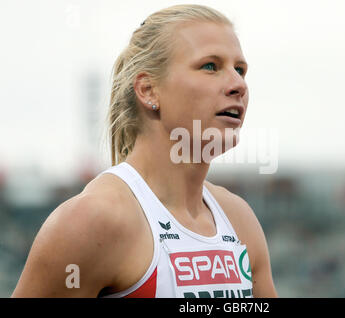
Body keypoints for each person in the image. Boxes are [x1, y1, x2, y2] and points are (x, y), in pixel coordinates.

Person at [11, 4, 277, 298]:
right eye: (210, 66)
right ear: (148, 90)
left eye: (240, 69)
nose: (238, 84)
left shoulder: (239, 220)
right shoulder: (92, 221)